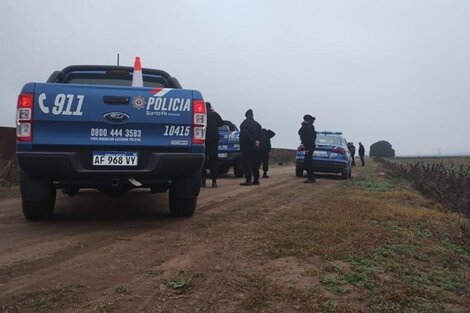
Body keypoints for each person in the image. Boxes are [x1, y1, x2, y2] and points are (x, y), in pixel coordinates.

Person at [202, 102, 224, 188]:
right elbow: (221, 123)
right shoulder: (215, 114)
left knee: (203, 160)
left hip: (204, 139)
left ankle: (202, 181)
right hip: (214, 140)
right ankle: (214, 182)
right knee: (213, 160)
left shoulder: (203, 115)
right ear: (210, 107)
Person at [239, 109, 262, 186]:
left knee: (247, 164)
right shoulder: (258, 125)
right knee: (255, 164)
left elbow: (244, 135)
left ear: (246, 116)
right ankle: (256, 180)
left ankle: (248, 180)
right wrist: (257, 142)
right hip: (256, 148)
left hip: (247, 148)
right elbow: (261, 136)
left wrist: (252, 141)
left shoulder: (244, 124)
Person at [298, 114, 316, 183]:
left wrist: (307, 148)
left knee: (308, 162)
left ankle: (311, 178)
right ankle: (311, 177)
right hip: (308, 146)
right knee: (307, 162)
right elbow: (300, 133)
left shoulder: (309, 127)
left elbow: (309, 138)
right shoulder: (308, 126)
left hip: (309, 146)